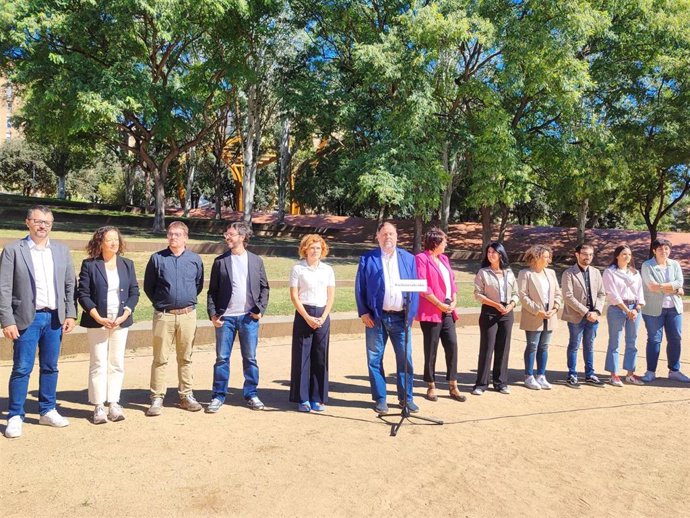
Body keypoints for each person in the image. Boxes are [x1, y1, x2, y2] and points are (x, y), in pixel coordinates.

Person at [1, 205, 77, 439]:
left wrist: (71, 313)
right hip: (26, 318)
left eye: (47, 222)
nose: (42, 226)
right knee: (22, 368)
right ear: (28, 222)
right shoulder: (13, 250)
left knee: (50, 366)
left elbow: (69, 284)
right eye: (38, 221)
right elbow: (3, 288)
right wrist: (7, 320)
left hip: (54, 318)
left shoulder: (62, 251)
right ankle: (15, 415)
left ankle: (47, 409)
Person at [355, 221, 419, 415]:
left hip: (401, 318)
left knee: (405, 359)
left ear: (397, 236)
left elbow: (414, 289)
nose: (388, 237)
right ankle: (380, 398)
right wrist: (364, 312)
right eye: (384, 234)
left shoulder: (408, 259)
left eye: (391, 234)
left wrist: (412, 314)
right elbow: (360, 288)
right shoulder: (368, 259)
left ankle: (406, 399)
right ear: (378, 237)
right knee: (375, 359)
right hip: (376, 318)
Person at [77, 226, 139, 424]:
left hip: (120, 321)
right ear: (100, 242)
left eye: (116, 239)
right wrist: (97, 317)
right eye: (109, 239)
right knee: (98, 363)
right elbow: (83, 294)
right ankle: (98, 406)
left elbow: (134, 292)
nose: (114, 243)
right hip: (98, 322)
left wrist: (125, 314)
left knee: (116, 362)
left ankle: (114, 402)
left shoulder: (127, 264)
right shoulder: (90, 265)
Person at [206, 221, 270, 413]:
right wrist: (212, 314)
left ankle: (251, 394)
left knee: (250, 358)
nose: (227, 237)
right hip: (226, 319)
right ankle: (218, 396)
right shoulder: (220, 261)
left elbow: (264, 287)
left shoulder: (256, 261)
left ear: (242, 237)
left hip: (248, 318)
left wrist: (260, 309)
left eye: (231, 234)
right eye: (227, 234)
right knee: (222, 358)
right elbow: (212, 291)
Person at [143, 221, 204, 416]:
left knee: (185, 357)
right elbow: (149, 287)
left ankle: (186, 395)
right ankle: (157, 397)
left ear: (186, 237)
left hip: (187, 315)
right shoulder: (157, 259)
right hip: (164, 316)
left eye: (177, 234)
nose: (173, 237)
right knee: (160, 358)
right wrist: (162, 303)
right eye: (170, 234)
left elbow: (198, 285)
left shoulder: (195, 259)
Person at [415, 227, 464, 402]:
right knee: (431, 349)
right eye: (444, 241)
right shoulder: (421, 259)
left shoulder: (444, 259)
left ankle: (453, 385)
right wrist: (439, 304)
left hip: (448, 310)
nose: (446, 244)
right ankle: (431, 385)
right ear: (435, 243)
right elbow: (423, 286)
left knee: (452, 346)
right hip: (432, 311)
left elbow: (452, 281)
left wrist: (454, 300)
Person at [289, 234, 335, 412]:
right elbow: (294, 296)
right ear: (305, 249)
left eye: (318, 247)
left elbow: (331, 296)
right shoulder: (298, 269)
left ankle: (317, 397)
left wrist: (323, 317)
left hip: (322, 313)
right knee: (302, 356)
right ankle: (302, 398)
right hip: (304, 313)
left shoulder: (328, 270)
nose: (315, 251)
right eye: (311, 247)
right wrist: (307, 317)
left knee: (320, 356)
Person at [640, 238, 688, 383]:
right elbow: (652, 287)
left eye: (666, 249)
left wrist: (665, 287)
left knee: (675, 339)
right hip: (654, 309)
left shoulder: (675, 264)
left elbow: (680, 282)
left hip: (674, 308)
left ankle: (674, 370)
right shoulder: (647, 265)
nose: (664, 251)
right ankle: (650, 371)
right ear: (654, 251)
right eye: (660, 249)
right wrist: (674, 290)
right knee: (654, 340)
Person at [472, 242, 518, 395]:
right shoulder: (483, 273)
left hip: (507, 313)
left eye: (494, 252)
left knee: (503, 348)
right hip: (489, 312)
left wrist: (510, 306)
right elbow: (478, 294)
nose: (490, 254)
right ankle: (481, 384)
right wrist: (495, 304)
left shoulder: (509, 273)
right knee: (487, 348)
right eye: (488, 252)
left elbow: (516, 294)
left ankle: (501, 383)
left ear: (500, 254)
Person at [517, 245, 562, 391]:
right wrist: (538, 311)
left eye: (549, 256)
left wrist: (555, 308)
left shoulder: (551, 273)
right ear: (537, 257)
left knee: (544, 346)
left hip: (550, 314)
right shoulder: (525, 274)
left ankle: (541, 375)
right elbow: (523, 296)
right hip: (533, 315)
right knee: (532, 346)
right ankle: (528, 376)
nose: (549, 259)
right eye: (546, 256)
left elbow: (557, 293)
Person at [560, 244, 606, 388]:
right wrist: (586, 312)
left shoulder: (596, 272)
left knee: (589, 345)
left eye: (590, 254)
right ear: (577, 255)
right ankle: (572, 374)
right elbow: (568, 296)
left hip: (593, 316)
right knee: (574, 345)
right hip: (576, 316)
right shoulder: (568, 273)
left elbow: (601, 294)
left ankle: (590, 374)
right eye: (585, 254)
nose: (588, 257)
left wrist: (596, 311)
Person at [602, 245, 645, 387]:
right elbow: (612, 294)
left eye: (629, 254)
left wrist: (636, 308)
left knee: (632, 342)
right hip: (618, 309)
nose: (627, 257)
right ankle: (614, 374)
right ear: (617, 256)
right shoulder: (610, 272)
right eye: (624, 254)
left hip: (635, 309)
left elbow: (640, 292)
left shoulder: (635, 273)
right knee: (615, 342)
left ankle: (630, 373)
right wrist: (626, 310)